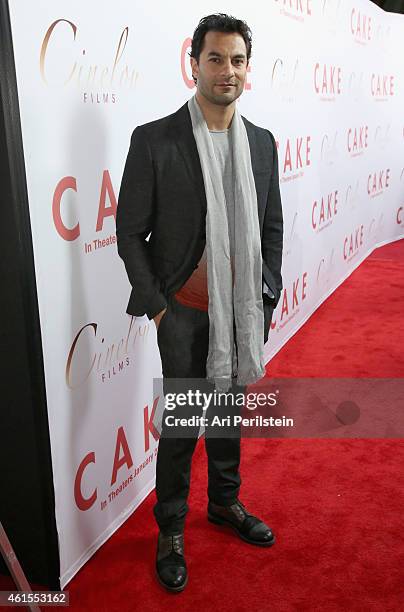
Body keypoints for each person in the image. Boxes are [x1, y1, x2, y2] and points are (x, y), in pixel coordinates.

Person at [116, 13, 283, 593]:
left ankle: (225, 504)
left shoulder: (262, 143)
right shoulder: (155, 139)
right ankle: (170, 530)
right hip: (183, 313)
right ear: (194, 65)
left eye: (237, 60)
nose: (227, 71)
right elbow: (128, 232)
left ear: (247, 69)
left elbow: (271, 226)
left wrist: (269, 291)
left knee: (227, 417)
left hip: (240, 316)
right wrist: (160, 305)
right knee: (185, 425)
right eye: (216, 59)